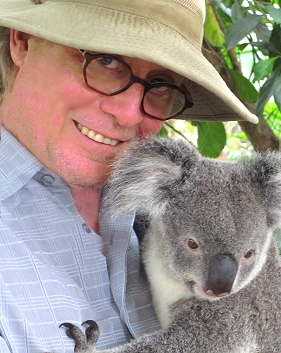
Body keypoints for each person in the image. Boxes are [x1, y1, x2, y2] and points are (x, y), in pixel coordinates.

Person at [0, 0, 258, 352]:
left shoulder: (176, 205)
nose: (128, 113)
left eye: (161, 84)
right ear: (23, 41)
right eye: (105, 60)